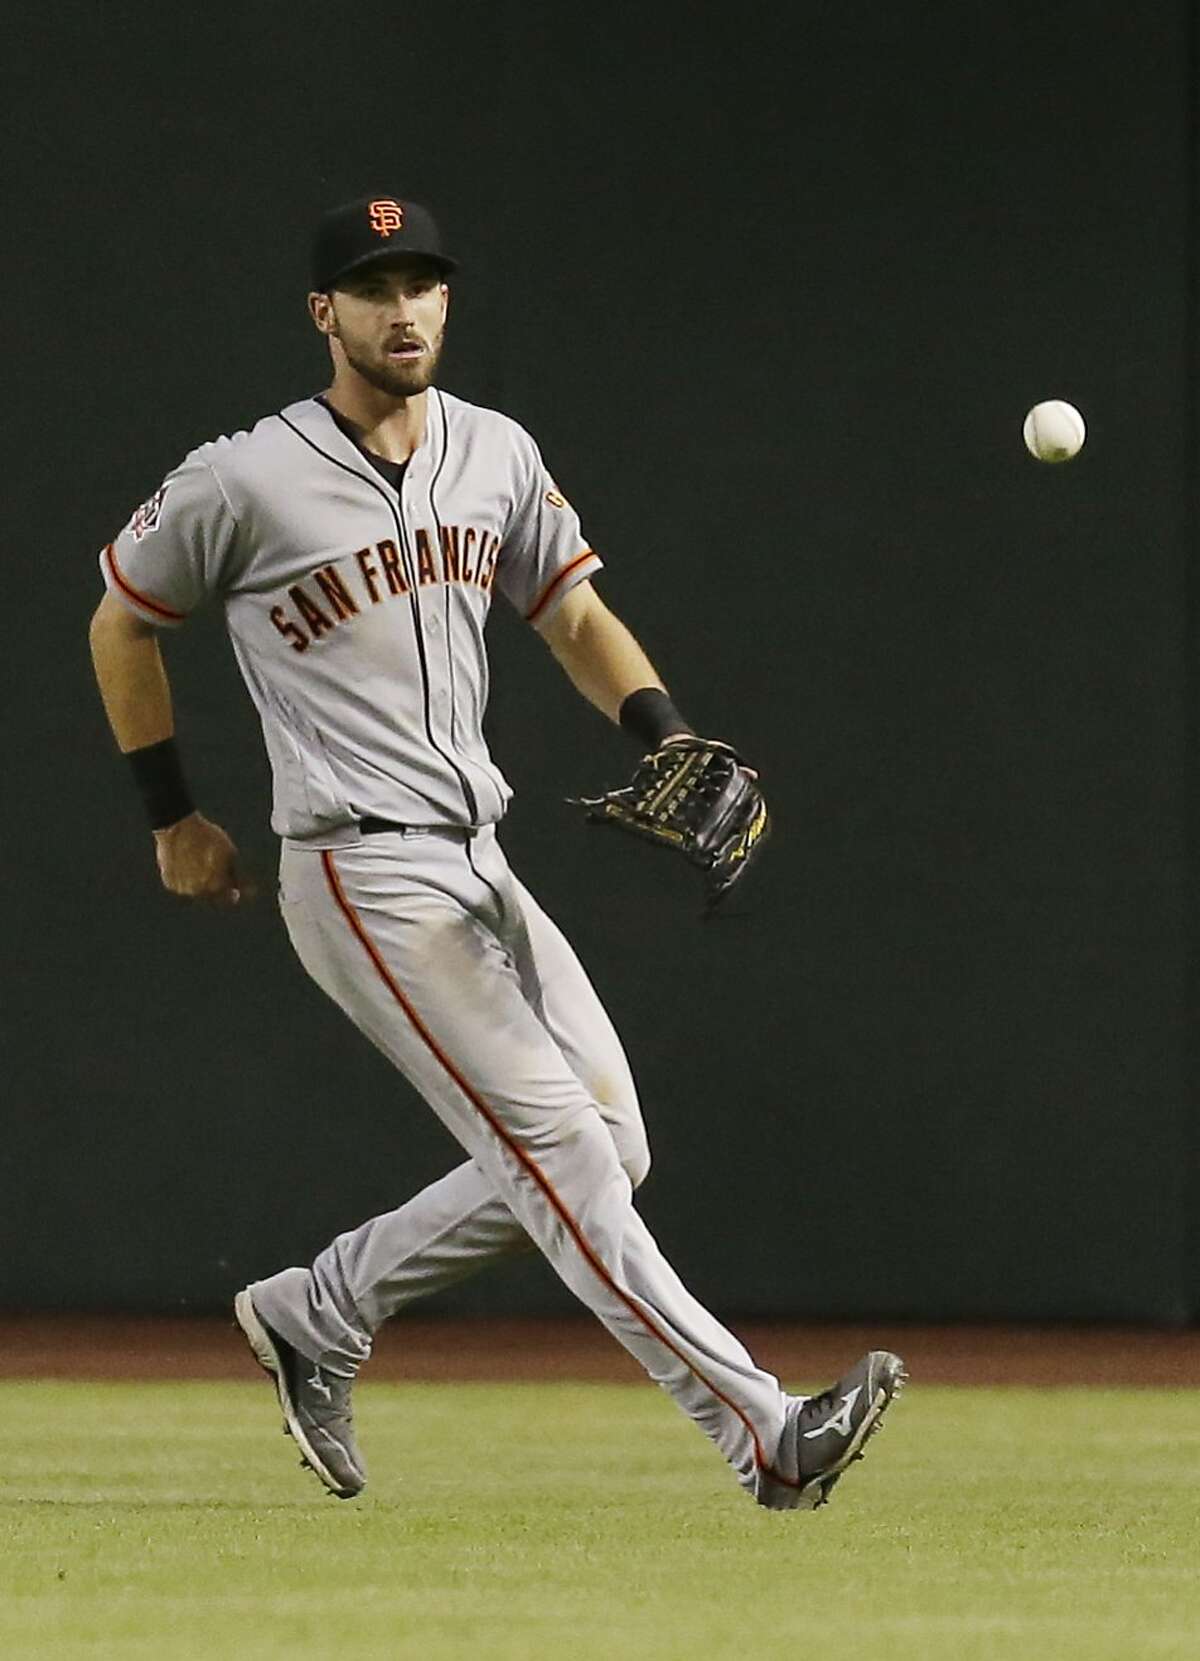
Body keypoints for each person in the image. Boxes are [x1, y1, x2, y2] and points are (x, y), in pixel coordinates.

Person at [89, 194, 904, 1511]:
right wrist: (173, 815)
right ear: (324, 313)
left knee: (610, 1146)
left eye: (421, 282)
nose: (401, 308)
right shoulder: (242, 477)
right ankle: (765, 1433)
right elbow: (121, 620)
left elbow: (570, 610)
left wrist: (668, 727)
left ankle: (320, 1308)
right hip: (357, 868)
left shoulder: (496, 451)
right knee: (569, 1160)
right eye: (372, 286)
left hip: (479, 857)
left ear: (448, 300)